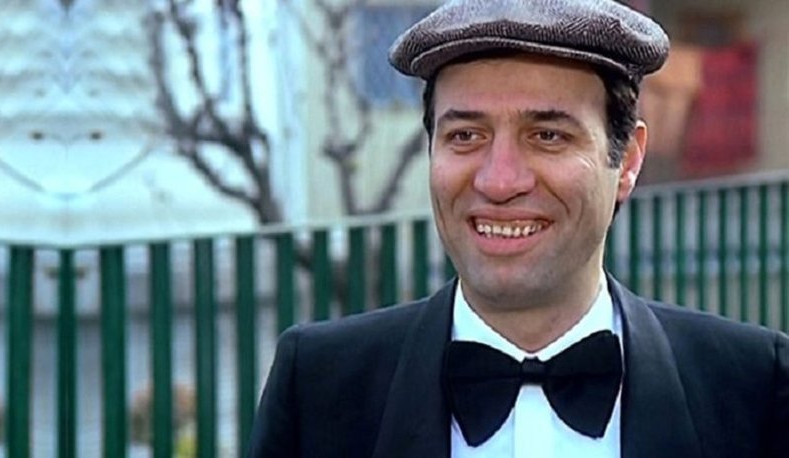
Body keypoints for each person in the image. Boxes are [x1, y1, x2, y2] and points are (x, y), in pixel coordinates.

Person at [247, 0, 789, 457]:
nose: (499, 181)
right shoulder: (318, 389)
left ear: (626, 161)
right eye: (465, 136)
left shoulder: (755, 389)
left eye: (548, 136)